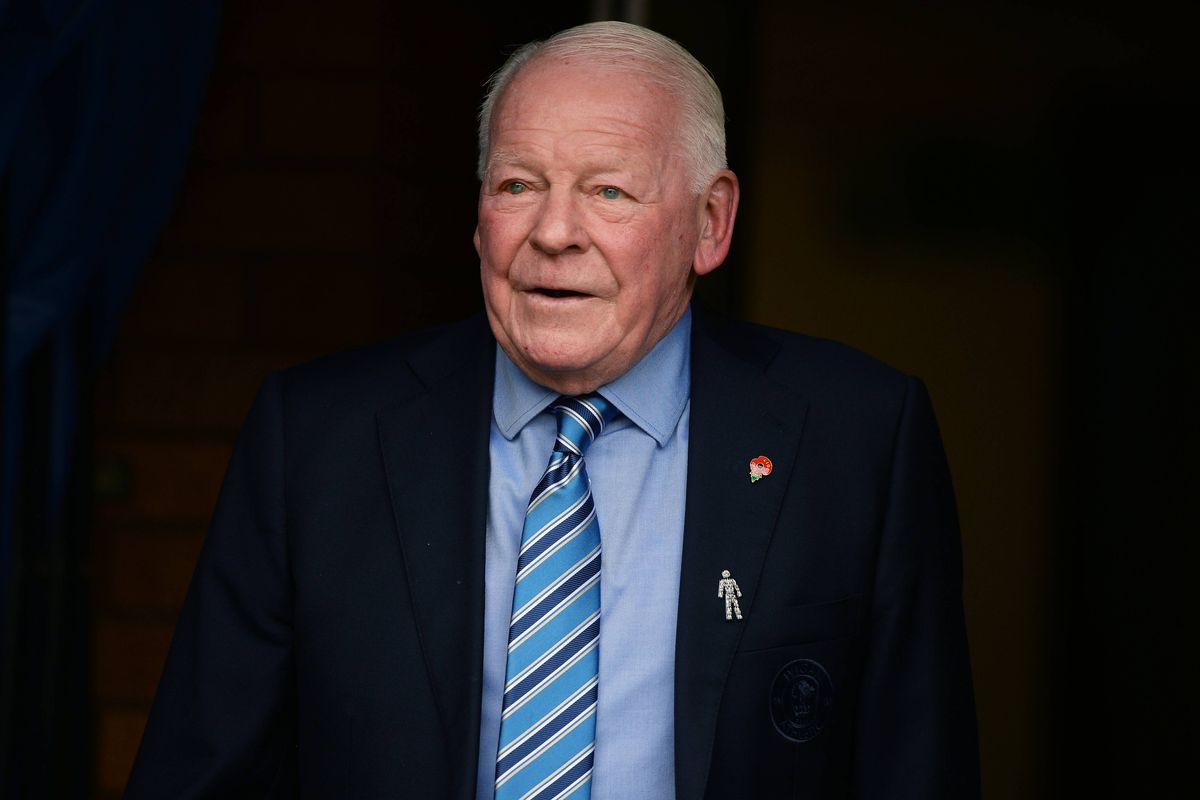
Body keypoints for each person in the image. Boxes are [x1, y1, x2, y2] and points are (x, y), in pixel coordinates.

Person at [126, 20, 979, 800]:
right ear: (478, 218)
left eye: (608, 191)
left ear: (710, 223)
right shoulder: (318, 439)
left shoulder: (856, 439)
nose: (554, 232)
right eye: (518, 184)